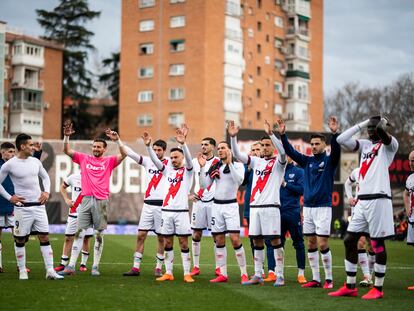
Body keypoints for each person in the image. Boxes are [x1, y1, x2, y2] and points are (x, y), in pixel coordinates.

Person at [330, 115, 398, 299]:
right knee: (349, 240)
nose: (369, 131)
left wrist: (380, 124)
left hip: (379, 199)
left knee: (376, 243)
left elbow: (383, 135)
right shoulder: (366, 145)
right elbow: (340, 139)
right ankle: (350, 286)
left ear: (381, 128)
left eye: (372, 128)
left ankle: (378, 288)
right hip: (362, 201)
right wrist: (364, 122)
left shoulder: (389, 145)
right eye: (368, 128)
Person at [279, 116, 340, 289]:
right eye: (312, 144)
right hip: (308, 208)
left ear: (324, 145)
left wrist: (334, 133)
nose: (314, 146)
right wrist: (283, 135)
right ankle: (315, 278)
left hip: (323, 208)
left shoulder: (329, 161)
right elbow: (291, 152)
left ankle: (329, 279)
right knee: (311, 242)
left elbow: (336, 151)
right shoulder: (307, 161)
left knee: (322, 243)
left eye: (317, 143)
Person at [59, 123, 126, 276]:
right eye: (94, 146)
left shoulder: (109, 161)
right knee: (79, 233)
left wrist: (118, 140)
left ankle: (95, 266)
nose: (96, 149)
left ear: (104, 149)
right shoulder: (84, 159)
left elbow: (124, 154)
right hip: (85, 200)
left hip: (101, 201)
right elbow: (66, 150)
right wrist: (67, 135)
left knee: (98, 235)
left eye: (98, 147)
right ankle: (70, 266)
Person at [229, 120, 287, 286]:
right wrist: (233, 138)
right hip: (255, 208)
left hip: (271, 208)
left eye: (268, 145)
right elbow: (238, 156)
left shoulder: (278, 163)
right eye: (262, 145)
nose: (265, 148)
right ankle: (258, 274)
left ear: (272, 147)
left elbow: (283, 152)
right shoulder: (256, 162)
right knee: (257, 241)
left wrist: (271, 134)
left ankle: (280, 275)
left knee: (275, 241)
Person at [0, 134, 62, 280]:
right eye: (30, 145)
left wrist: (46, 191)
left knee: (44, 236)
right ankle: (22, 271)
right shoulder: (10, 164)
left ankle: (50, 271)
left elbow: (45, 177)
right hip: (22, 208)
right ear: (22, 146)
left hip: (39, 207)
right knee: (20, 239)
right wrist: (10, 198)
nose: (33, 147)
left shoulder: (35, 161)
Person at [142, 125, 194, 283]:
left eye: (176, 157)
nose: (173, 160)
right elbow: (154, 160)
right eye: (171, 158)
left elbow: (190, 161)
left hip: (181, 212)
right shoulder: (167, 170)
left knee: (183, 242)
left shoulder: (188, 171)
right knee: (168, 242)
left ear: (182, 158)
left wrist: (183, 144)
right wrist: (148, 147)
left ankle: (186, 273)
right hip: (166, 211)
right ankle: (169, 272)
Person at [198, 139, 248, 284]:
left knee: (235, 239)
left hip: (231, 206)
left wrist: (230, 164)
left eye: (223, 148)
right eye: (218, 148)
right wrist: (202, 169)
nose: (220, 150)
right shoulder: (215, 166)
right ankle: (223, 274)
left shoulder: (238, 165)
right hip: (216, 206)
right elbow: (204, 185)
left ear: (230, 150)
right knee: (219, 240)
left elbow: (239, 181)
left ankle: (244, 273)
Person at [122, 139, 169, 277]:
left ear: (164, 150)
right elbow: (131, 153)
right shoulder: (147, 161)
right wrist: (118, 141)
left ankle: (159, 268)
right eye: (154, 149)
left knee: (161, 238)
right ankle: (136, 268)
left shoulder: (169, 163)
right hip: (148, 204)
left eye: (159, 150)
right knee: (141, 235)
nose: (156, 152)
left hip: (162, 205)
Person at [189, 137, 219, 276]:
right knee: (196, 234)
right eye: (201, 144)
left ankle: (218, 267)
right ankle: (196, 266)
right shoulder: (195, 162)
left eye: (206, 144)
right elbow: (183, 177)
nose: (203, 147)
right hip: (198, 202)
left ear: (213, 147)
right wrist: (188, 195)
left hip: (214, 203)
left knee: (217, 236)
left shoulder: (219, 162)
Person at [54, 172, 94, 272]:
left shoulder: (95, 177)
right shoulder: (73, 177)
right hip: (74, 211)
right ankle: (63, 264)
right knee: (68, 237)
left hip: (88, 213)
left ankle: (83, 263)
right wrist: (67, 199)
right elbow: (62, 187)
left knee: (86, 238)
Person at [344, 167, 375, 286]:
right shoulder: (357, 171)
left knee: (372, 244)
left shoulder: (376, 169)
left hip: (372, 210)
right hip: (358, 210)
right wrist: (350, 197)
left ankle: (370, 275)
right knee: (359, 242)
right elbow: (348, 183)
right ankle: (366, 276)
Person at [280, 156, 307, 284]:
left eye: (287, 155)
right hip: (277, 211)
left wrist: (286, 184)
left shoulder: (299, 172)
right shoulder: (276, 170)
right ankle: (278, 272)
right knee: (277, 243)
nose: (285, 157)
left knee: (298, 242)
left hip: (292, 211)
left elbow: (302, 190)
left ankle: (301, 273)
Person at [403, 150, 414, 290]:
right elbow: (406, 194)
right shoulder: (410, 178)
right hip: (412, 219)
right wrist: (407, 208)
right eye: (410, 160)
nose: (411, 163)